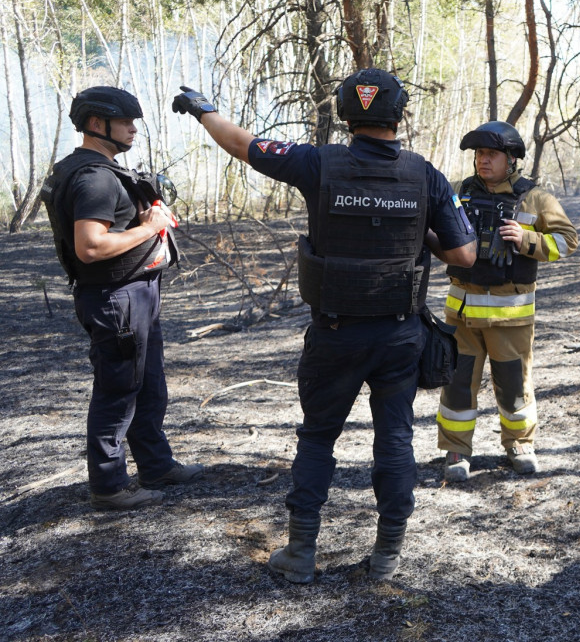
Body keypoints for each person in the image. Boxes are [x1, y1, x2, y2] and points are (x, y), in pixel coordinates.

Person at [173, 71, 475, 583]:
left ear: (345, 114)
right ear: (399, 115)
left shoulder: (317, 163)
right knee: (395, 440)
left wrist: (202, 107)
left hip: (335, 333)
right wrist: (416, 225)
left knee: (317, 439)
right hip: (400, 334)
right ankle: (387, 556)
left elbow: (240, 143)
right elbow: (464, 254)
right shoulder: (424, 175)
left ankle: (300, 555)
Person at [41, 86, 202, 511]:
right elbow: (90, 247)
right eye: (126, 122)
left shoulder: (99, 169)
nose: (133, 129)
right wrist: (151, 228)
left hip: (135, 293)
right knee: (117, 392)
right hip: (116, 300)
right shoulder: (94, 177)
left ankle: (156, 465)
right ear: (97, 124)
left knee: (149, 386)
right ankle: (109, 486)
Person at [437, 121, 578, 481]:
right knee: (457, 384)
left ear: (511, 159)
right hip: (462, 315)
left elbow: (567, 242)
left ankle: (520, 445)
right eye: (479, 154)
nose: (483, 161)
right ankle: (456, 450)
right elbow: (434, 230)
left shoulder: (536, 198)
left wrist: (527, 239)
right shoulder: (458, 192)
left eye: (491, 154)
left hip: (511, 317)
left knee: (514, 386)